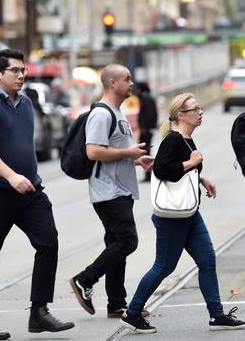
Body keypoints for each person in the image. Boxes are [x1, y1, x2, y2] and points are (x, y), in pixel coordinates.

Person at [120, 93, 245, 333]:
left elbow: (182, 171)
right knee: (164, 266)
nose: (201, 113)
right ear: (181, 116)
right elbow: (162, 169)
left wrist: (201, 179)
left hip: (189, 214)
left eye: (200, 108)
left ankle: (216, 315)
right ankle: (132, 312)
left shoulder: (188, 140)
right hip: (171, 217)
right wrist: (191, 164)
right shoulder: (173, 139)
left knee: (207, 260)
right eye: (195, 109)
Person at [0, 49, 74, 340]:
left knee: (48, 242)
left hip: (30, 191)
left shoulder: (26, 103)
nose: (21, 75)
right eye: (15, 70)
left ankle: (39, 312)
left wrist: (26, 177)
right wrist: (10, 176)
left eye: (23, 70)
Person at [69, 64, 154, 318]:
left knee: (116, 243)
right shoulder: (102, 114)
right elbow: (93, 151)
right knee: (128, 241)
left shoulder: (118, 112)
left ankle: (116, 303)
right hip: (108, 191)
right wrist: (129, 153)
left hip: (120, 190)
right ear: (112, 83)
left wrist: (137, 160)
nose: (132, 83)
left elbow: (115, 151)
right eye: (127, 79)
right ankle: (85, 279)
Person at [136, 82, 158, 182]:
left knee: (145, 150)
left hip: (146, 130)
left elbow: (148, 115)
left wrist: (144, 127)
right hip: (149, 129)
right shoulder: (148, 98)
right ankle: (148, 174)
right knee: (145, 150)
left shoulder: (146, 99)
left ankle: (148, 174)